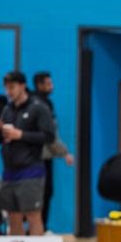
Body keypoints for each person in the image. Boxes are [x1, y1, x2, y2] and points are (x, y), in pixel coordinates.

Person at [0, 71, 55, 235]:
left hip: (31, 169)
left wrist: (21, 135)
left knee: (33, 215)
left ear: (23, 86)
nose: (8, 92)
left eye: (12, 87)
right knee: (13, 216)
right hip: (9, 171)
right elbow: (0, 140)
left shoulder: (38, 108)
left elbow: (49, 136)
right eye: (6, 88)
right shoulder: (7, 109)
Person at [31, 72, 75, 228]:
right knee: (43, 194)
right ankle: (39, 229)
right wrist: (65, 153)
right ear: (39, 85)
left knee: (41, 194)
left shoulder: (41, 103)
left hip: (38, 157)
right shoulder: (41, 105)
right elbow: (50, 134)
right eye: (48, 83)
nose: (52, 86)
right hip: (40, 158)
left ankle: (37, 229)